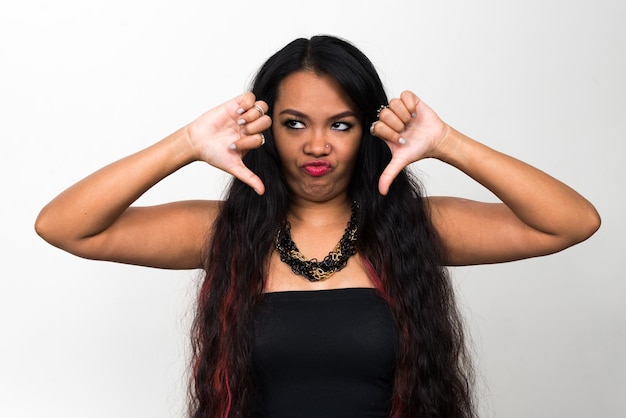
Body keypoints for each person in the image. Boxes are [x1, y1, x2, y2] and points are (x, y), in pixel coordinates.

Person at [35, 35, 600, 418]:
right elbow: (65, 227)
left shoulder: (413, 228)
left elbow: (571, 222)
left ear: (369, 131)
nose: (316, 145)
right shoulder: (225, 231)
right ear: (267, 129)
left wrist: (448, 143)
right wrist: (185, 145)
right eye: (295, 123)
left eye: (341, 123)